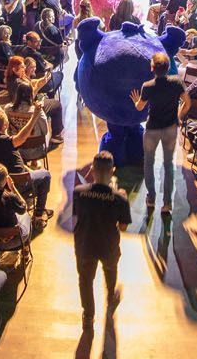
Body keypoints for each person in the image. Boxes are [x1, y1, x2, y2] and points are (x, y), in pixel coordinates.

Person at [71, 151, 131, 326]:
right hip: (108, 245)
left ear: (92, 169)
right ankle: (111, 295)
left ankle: (88, 316)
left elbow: (78, 216)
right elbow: (123, 226)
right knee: (110, 270)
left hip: (85, 244)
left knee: (85, 280)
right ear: (113, 170)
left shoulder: (78, 192)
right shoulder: (120, 198)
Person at [132, 52, 187, 215]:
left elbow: (139, 107)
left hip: (152, 128)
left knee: (148, 162)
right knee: (168, 164)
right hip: (170, 128)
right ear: (168, 67)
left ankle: (151, 197)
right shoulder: (176, 82)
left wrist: (136, 100)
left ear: (152, 68)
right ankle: (167, 203)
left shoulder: (147, 86)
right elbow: (187, 102)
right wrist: (178, 116)